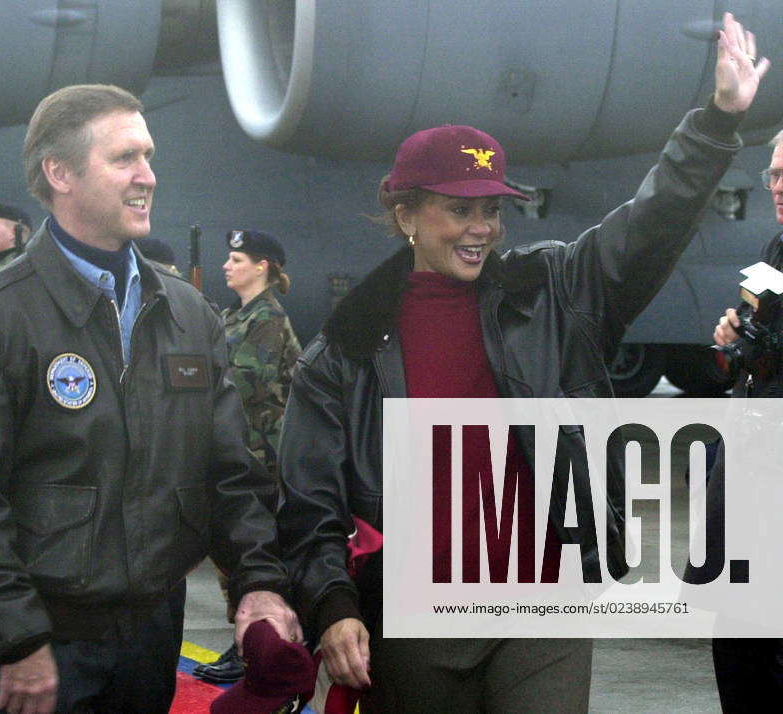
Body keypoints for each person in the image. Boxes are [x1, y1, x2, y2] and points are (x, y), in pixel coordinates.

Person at [276, 12, 767, 713]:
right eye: (459, 210)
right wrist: (332, 607)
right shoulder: (345, 350)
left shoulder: (555, 293)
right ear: (408, 213)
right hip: (415, 616)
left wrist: (716, 123)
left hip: (544, 599)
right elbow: (310, 503)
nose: (481, 229)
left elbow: (645, 229)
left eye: (493, 211)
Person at [0, 83, 299, 714]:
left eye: (148, 157)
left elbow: (230, 473)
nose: (147, 177)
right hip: (44, 637)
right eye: (124, 158)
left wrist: (259, 583)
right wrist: (16, 639)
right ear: (60, 172)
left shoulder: (188, 315)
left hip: (152, 629)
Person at [195, 229, 302, 684]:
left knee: (252, 553)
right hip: (239, 449)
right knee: (231, 553)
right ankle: (244, 642)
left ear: (263, 267)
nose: (227, 265)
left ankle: (257, 645)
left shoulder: (269, 321)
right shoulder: (235, 317)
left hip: (259, 456)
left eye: (237, 258)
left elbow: (241, 387)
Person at [705, 127, 783, 712]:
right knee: (734, 631)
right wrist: (736, 334)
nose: (777, 187)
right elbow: (757, 332)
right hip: (754, 467)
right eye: (773, 175)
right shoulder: (777, 248)